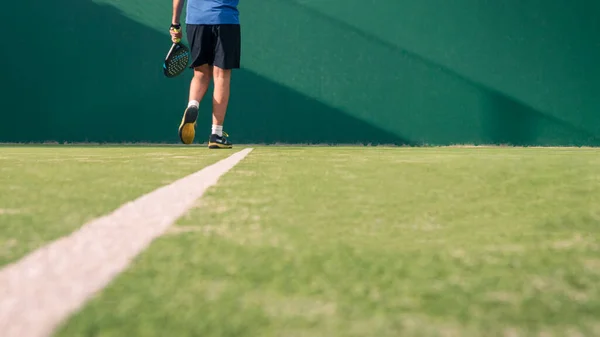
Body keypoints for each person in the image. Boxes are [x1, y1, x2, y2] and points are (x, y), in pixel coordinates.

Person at [170, 0, 240, 149]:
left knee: (200, 72)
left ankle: (193, 105)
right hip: (225, 19)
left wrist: (175, 24)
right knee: (221, 76)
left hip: (196, 21)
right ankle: (216, 134)